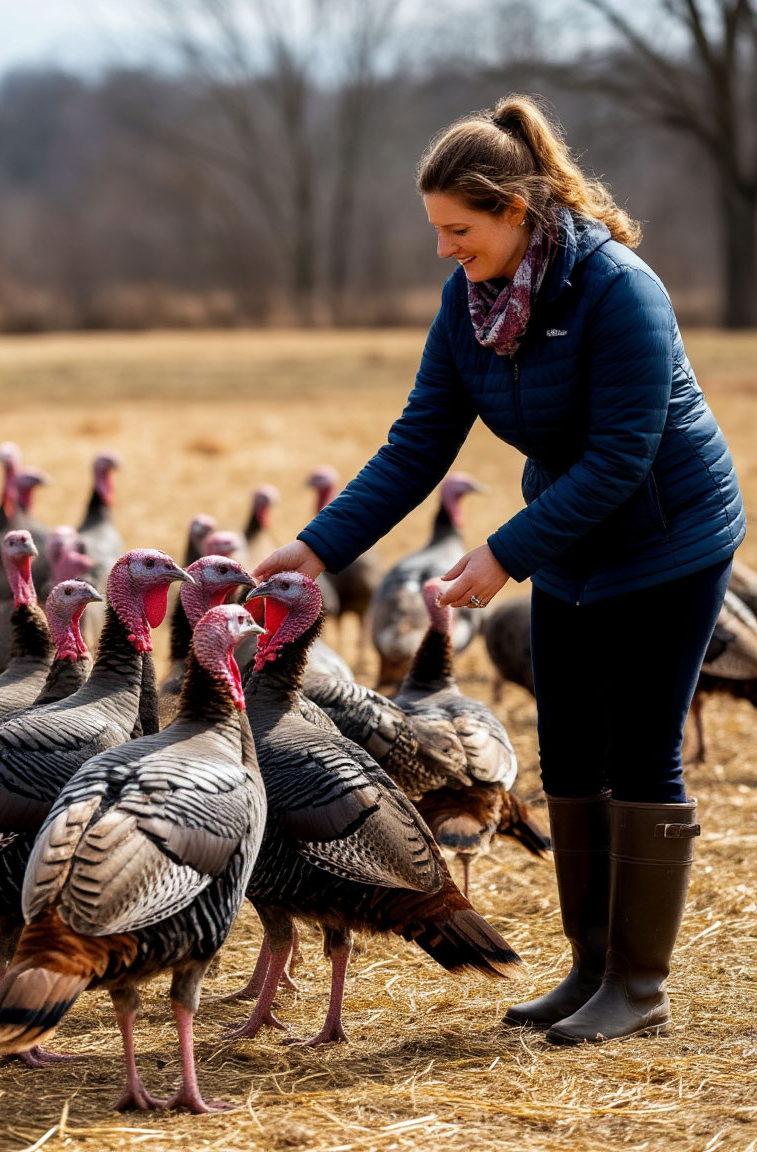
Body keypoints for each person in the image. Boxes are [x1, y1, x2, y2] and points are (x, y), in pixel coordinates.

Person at [252, 94, 745, 1045]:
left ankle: (638, 987)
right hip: (571, 543)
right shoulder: (471, 302)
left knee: (640, 750)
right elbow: (417, 445)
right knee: (566, 750)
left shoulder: (620, 292)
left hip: (668, 540)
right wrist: (317, 549)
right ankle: (589, 969)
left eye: (458, 230)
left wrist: (503, 552)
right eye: (436, 230)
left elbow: (624, 457)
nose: (443, 249)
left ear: (516, 212)